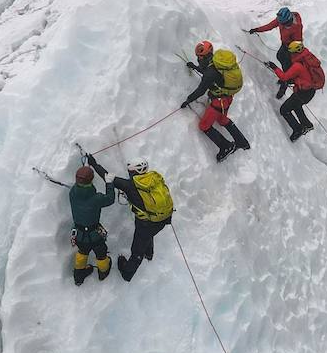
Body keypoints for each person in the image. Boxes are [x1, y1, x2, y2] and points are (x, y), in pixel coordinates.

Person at [85, 154, 173, 282]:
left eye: (130, 171)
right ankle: (149, 253)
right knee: (149, 235)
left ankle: (127, 273)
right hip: (163, 218)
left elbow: (107, 177)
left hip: (146, 223)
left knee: (137, 250)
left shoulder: (129, 185)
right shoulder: (154, 178)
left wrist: (94, 164)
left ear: (134, 172)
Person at [182, 41, 251, 162]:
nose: (198, 58)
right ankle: (242, 142)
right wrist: (195, 67)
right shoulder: (218, 62)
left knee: (204, 125)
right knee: (222, 120)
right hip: (228, 97)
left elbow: (201, 90)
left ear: (205, 56)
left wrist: (188, 100)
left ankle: (226, 147)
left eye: (199, 57)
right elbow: (210, 73)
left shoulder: (210, 72)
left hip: (219, 102)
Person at [67, 165, 116, 285]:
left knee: (82, 252)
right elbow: (110, 199)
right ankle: (103, 272)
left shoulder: (72, 193)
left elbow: (81, 187)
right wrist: (109, 183)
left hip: (79, 233)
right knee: (101, 252)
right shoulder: (96, 198)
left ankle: (79, 276)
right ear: (91, 180)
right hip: (94, 234)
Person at [271, 40, 325, 141]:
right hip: (309, 91)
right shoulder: (306, 58)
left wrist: (274, 67)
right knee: (296, 106)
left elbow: (284, 77)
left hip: (303, 93)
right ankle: (307, 124)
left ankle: (298, 129)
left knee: (284, 110)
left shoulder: (297, 66)